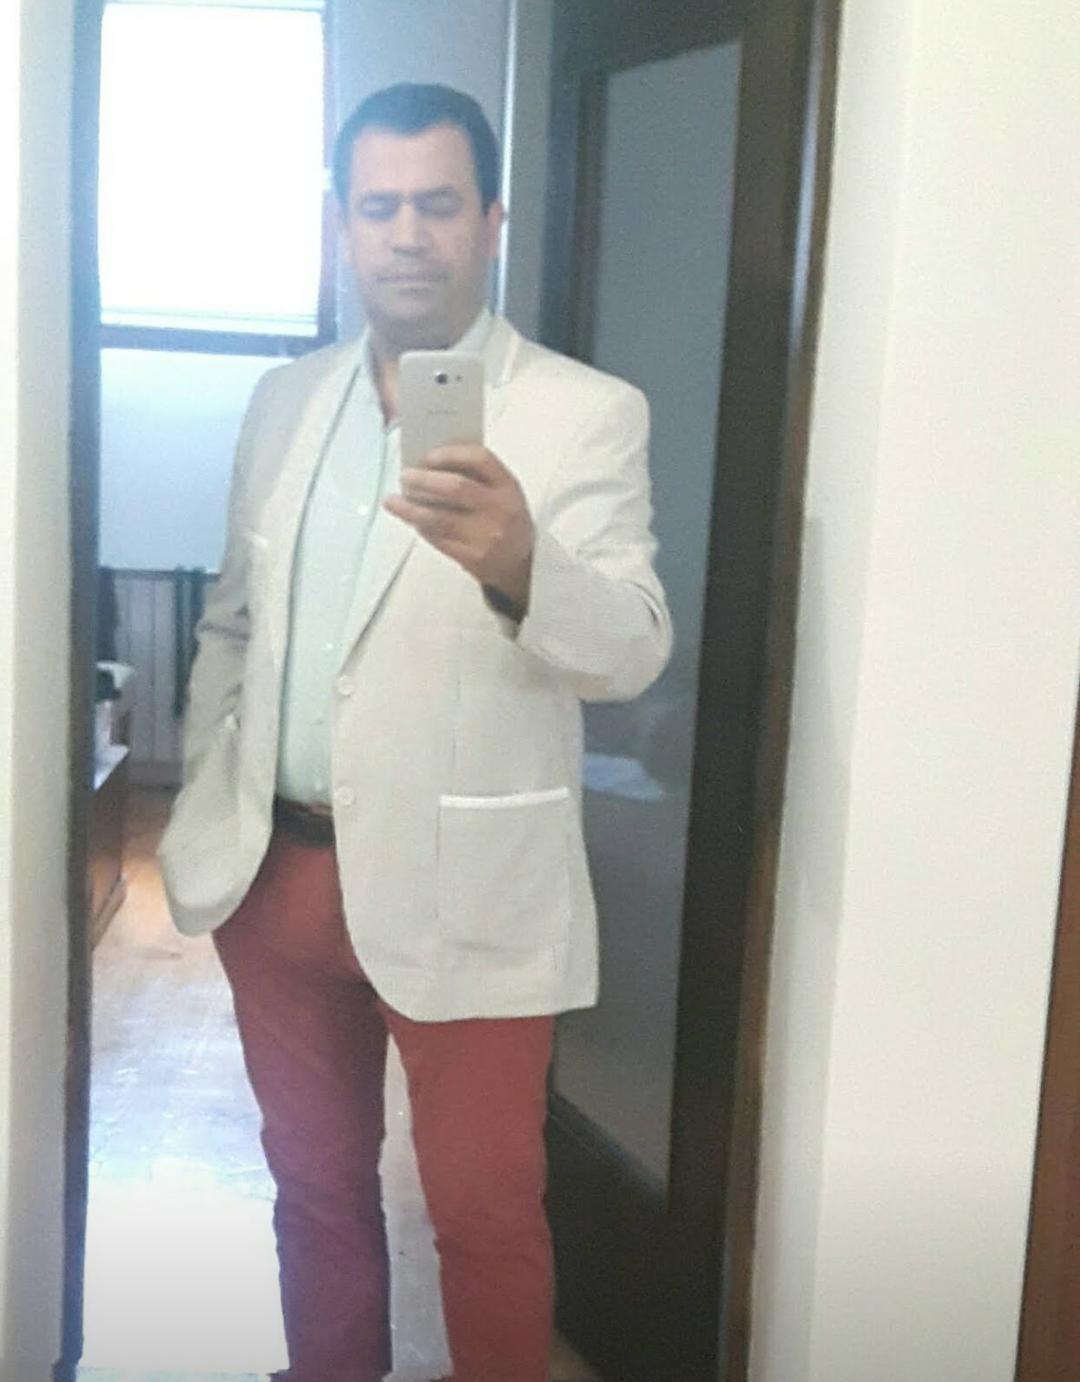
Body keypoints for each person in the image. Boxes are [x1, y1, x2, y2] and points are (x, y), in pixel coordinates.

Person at [159, 82, 672, 1382]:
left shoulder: (582, 412)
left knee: (485, 1216)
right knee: (313, 1189)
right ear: (340, 223)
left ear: (490, 221)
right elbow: (233, 617)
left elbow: (632, 648)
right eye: (378, 206)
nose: (405, 235)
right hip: (276, 873)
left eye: (437, 204)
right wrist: (208, 780)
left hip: (471, 890)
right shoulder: (284, 402)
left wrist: (521, 564)